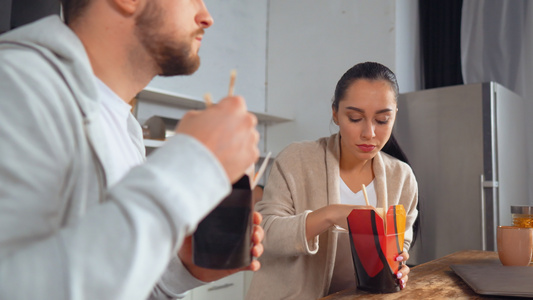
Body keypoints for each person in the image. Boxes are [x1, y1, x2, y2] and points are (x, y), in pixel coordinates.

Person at [0, 0, 264, 299]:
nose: (207, 17)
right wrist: (191, 167)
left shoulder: (125, 127)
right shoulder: (15, 83)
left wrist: (179, 269)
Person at [246, 62, 419, 299]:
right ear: (335, 113)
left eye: (382, 120)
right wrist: (332, 214)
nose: (369, 133)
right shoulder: (296, 160)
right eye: (355, 118)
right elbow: (266, 235)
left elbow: (401, 247)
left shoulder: (402, 177)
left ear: (394, 116)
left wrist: (399, 267)